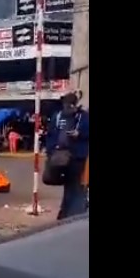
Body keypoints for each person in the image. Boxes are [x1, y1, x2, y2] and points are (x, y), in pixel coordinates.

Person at [57, 92, 89, 220]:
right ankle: (67, 212)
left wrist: (79, 134)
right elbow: (51, 135)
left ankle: (73, 213)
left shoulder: (84, 117)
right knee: (68, 185)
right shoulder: (59, 116)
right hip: (61, 157)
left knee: (76, 185)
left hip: (78, 157)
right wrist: (52, 151)